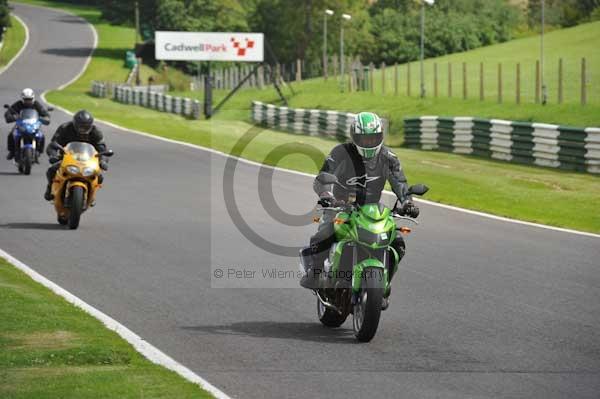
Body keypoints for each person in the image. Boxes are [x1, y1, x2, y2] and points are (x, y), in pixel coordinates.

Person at [300, 112, 420, 305]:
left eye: (373, 137)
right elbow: (321, 178)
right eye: (364, 138)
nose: (369, 142)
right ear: (354, 137)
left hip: (373, 212)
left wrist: (408, 203)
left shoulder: (388, 157)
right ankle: (315, 273)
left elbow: (401, 184)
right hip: (340, 208)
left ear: (381, 136)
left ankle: (382, 286)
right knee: (323, 235)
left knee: (397, 243)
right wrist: (326, 196)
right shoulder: (340, 153)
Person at [44, 110, 109, 201]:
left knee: (100, 176)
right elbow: (53, 144)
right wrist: (53, 155)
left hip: (88, 161)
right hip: (66, 158)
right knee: (51, 170)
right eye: (80, 126)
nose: (83, 129)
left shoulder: (96, 132)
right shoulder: (65, 128)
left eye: (85, 127)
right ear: (75, 124)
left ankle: (91, 195)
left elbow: (102, 148)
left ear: (90, 125)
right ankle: (49, 188)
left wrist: (103, 161)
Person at [5, 88, 50, 160]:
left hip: (33, 124)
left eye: (29, 99)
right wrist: (11, 117)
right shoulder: (18, 104)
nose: (28, 101)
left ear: (33, 98)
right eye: (26, 99)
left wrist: (45, 118)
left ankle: (39, 150)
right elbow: (9, 112)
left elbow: (44, 113)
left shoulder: (36, 104)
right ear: (22, 99)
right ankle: (12, 151)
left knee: (42, 135)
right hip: (21, 124)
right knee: (11, 134)